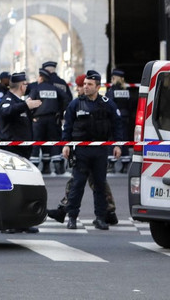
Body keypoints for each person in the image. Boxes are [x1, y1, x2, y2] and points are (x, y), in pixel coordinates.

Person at [47, 74, 119, 226]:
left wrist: (118, 145)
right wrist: (66, 144)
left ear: (98, 87)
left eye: (90, 84)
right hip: (81, 151)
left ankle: (100, 217)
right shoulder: (75, 104)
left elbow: (116, 125)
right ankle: (72, 218)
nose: (85, 86)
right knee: (77, 184)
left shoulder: (107, 104)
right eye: (85, 84)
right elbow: (67, 127)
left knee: (99, 185)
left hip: (100, 150)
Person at [0, 71, 42, 233]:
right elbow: (6, 111)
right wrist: (26, 106)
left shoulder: (18, 101)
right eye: (26, 84)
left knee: (23, 189)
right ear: (21, 85)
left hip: (22, 152)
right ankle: (9, 224)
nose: (27, 86)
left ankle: (23, 222)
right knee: (12, 189)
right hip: (11, 152)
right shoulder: (8, 100)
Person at [28, 68, 65, 175]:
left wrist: (31, 116)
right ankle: (56, 168)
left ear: (41, 77)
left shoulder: (36, 89)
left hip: (38, 120)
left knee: (36, 143)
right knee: (53, 142)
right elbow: (66, 98)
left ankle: (34, 170)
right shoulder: (55, 89)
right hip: (53, 120)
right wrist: (60, 113)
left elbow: (29, 103)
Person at [106, 68, 133, 173]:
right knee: (124, 140)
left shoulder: (112, 91)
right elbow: (130, 105)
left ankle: (111, 164)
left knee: (112, 139)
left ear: (113, 78)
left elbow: (109, 105)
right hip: (125, 118)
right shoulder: (126, 91)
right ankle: (125, 165)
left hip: (114, 118)